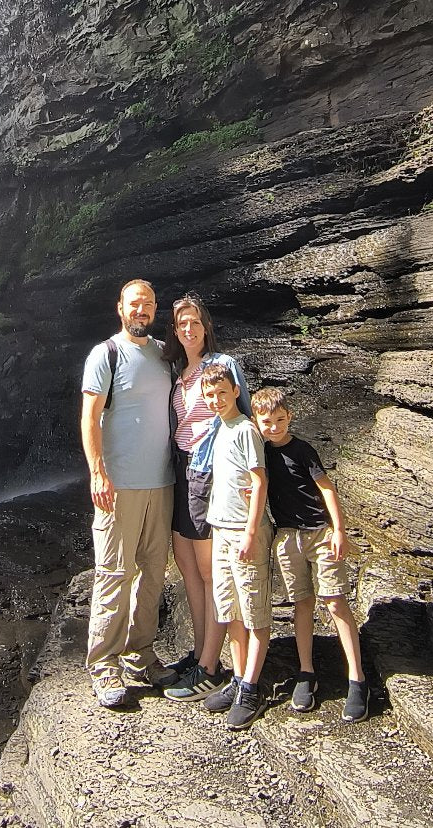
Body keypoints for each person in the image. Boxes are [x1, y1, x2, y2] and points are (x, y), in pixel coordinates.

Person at [80, 278, 178, 708]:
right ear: (120, 308)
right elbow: (89, 417)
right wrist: (97, 473)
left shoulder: (163, 354)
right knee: (114, 574)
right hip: (118, 486)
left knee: (153, 574)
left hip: (163, 482)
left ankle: (141, 654)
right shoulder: (106, 354)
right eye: (135, 303)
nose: (142, 309)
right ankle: (104, 664)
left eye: (149, 304)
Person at [250, 385, 370, 723]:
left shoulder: (303, 450)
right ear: (257, 422)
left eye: (279, 420)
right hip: (287, 538)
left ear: (289, 417)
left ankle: (357, 679)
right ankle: (306, 672)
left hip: (319, 534)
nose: (273, 427)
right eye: (266, 422)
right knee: (301, 603)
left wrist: (339, 530)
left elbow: (326, 489)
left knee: (334, 601)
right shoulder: (260, 453)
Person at [160, 293, 251, 700]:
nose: (188, 329)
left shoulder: (222, 366)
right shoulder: (180, 371)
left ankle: (213, 667)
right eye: (181, 324)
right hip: (179, 471)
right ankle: (199, 653)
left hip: (207, 473)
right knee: (188, 568)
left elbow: (243, 418)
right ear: (175, 332)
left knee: (211, 572)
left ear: (206, 325)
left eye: (194, 321)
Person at [195, 362, 273, 730]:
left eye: (221, 393)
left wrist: (251, 531)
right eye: (209, 395)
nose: (216, 400)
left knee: (253, 611)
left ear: (235, 392)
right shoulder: (219, 429)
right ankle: (239, 679)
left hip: (244, 532)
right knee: (230, 611)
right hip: (220, 529)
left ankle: (252, 689)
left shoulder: (245, 430)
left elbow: (259, 482)